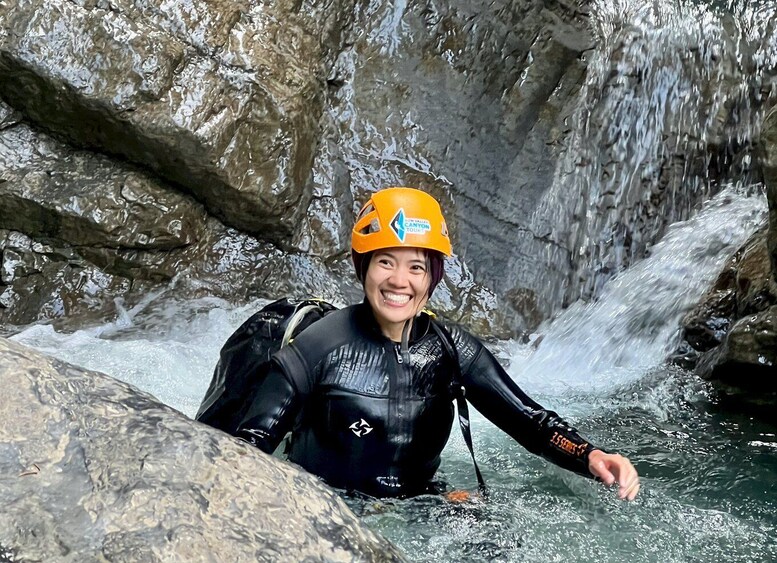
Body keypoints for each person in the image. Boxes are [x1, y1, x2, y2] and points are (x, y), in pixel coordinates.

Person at [236, 187, 640, 500]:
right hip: (326, 504)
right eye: (385, 262)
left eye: (416, 266)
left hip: (420, 504)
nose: (399, 281)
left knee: (481, 528)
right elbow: (246, 452)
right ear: (364, 268)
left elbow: (531, 424)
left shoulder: (451, 350)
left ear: (432, 278)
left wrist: (590, 456)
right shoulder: (316, 349)